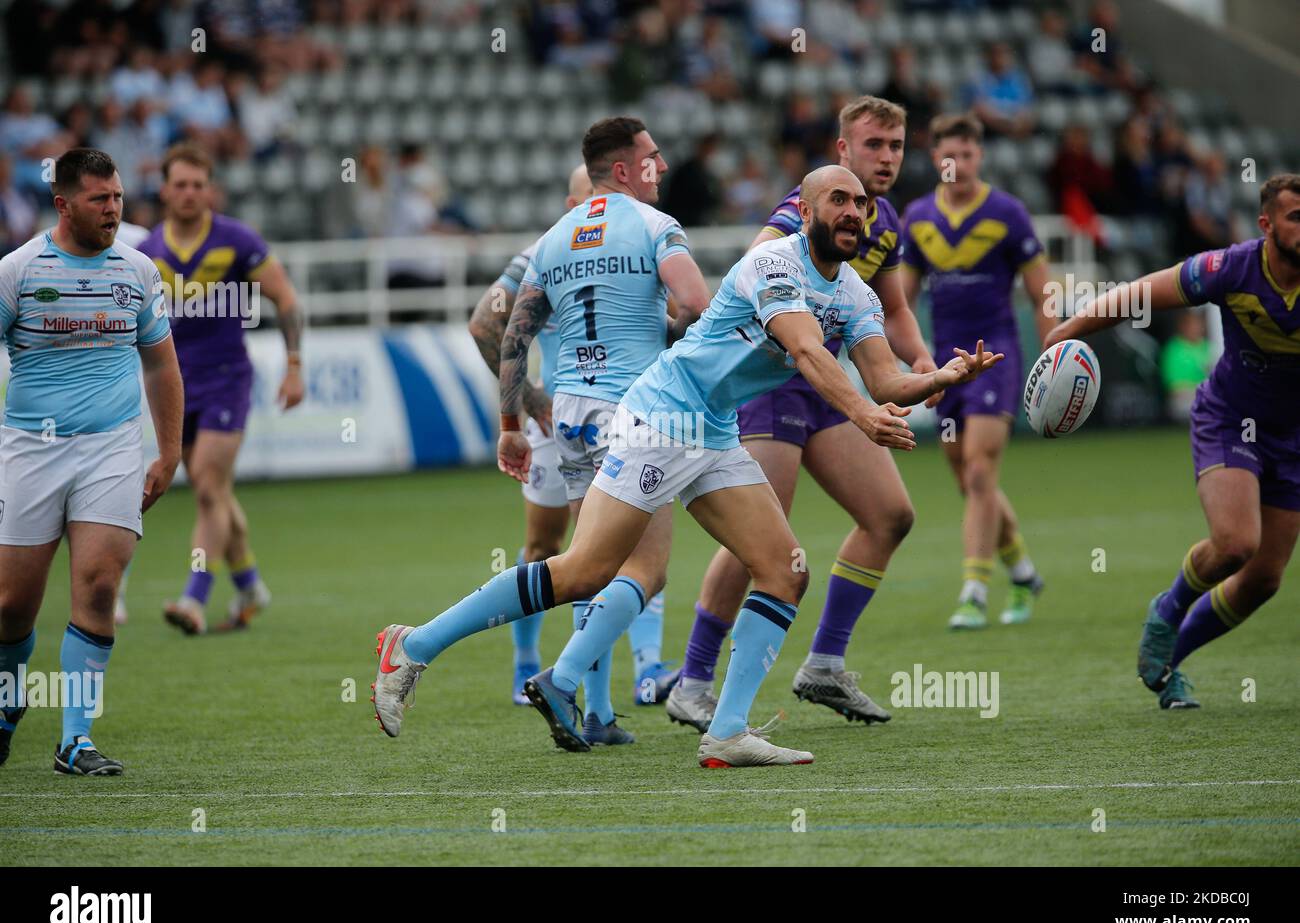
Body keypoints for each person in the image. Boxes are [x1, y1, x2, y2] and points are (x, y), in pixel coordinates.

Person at [370, 164, 1002, 767]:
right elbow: (808, 352)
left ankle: (726, 733)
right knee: (585, 571)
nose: (854, 212)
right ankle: (414, 645)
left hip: (714, 428)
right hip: (664, 415)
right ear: (804, 211)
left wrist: (939, 377)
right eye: (838, 200)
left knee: (784, 572)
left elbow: (886, 376)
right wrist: (865, 418)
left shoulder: (854, 291)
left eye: (861, 204)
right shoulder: (772, 263)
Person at [668, 95, 934, 732]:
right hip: (777, 380)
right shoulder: (804, 208)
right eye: (874, 145)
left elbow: (892, 309)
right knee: (763, 531)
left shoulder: (882, 218)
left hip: (829, 385)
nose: (887, 158)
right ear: (843, 150)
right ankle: (694, 679)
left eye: (896, 146)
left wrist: (922, 362)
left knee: (890, 516)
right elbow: (760, 268)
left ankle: (823, 664)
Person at [453, 116, 710, 745]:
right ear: (619, 172)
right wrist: (675, 352)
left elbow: (506, 329)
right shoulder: (653, 227)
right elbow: (696, 307)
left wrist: (512, 418)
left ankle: (597, 708)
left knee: (586, 562)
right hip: (633, 412)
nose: (662, 167)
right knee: (633, 567)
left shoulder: (550, 241)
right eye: (651, 157)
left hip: (566, 416)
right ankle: (543, 674)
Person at [1047, 174, 1300, 709]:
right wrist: (1069, 330)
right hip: (1231, 419)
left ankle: (1167, 661)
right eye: (1296, 216)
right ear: (1267, 223)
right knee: (1235, 544)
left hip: (1292, 437)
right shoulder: (1232, 267)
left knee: (1263, 580)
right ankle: (1168, 608)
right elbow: (1142, 293)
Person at [0, 148, 183, 774]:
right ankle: (6, 702)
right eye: (100, 200)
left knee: (100, 583)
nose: (114, 210)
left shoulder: (136, 271)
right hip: (29, 450)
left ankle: (75, 739)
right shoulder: (18, 272)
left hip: (111, 448)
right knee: (10, 606)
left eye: (118, 197)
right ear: (63, 204)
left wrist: (169, 451)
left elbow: (161, 364)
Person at [139, 143, 304, 636]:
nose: (190, 193)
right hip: (173, 388)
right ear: (165, 189)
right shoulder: (146, 251)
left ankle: (194, 597)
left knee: (208, 486)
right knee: (217, 494)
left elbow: (286, 297)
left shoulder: (236, 239)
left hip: (228, 379)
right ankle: (251, 585)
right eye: (181, 184)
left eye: (198, 184)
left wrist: (294, 365)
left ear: (210, 189)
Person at [900, 113, 1056, 630]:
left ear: (980, 157)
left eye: (967, 155)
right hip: (948, 367)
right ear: (934, 158)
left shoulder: (1008, 213)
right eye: (949, 155)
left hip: (998, 358)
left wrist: (1053, 355)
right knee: (971, 481)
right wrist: (914, 362)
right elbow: (901, 301)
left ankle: (973, 590)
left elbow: (1041, 293)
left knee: (982, 470)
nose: (958, 164)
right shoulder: (918, 217)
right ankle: (1026, 572)